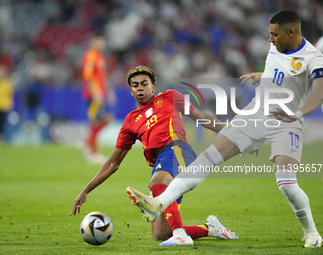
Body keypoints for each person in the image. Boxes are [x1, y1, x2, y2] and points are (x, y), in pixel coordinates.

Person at [126, 10, 323, 248]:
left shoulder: (313, 59)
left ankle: (311, 233)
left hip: (287, 121)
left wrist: (296, 113)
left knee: (287, 185)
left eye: (275, 35)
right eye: (270, 34)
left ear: (291, 32)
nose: (270, 39)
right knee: (208, 156)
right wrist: (265, 76)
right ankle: (159, 202)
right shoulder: (278, 46)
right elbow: (282, 71)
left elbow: (319, 94)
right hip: (256, 114)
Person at [70, 65, 239, 246]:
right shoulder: (130, 121)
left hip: (177, 150)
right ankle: (210, 228)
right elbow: (113, 163)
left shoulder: (170, 97)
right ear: (131, 91)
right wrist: (86, 190)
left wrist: (235, 135)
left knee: (157, 183)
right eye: (135, 85)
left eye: (144, 84)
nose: (140, 88)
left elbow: (201, 117)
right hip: (160, 164)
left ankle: (180, 235)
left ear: (153, 86)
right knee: (161, 234)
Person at [80, 34, 113, 164]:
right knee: (97, 121)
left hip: (101, 93)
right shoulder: (90, 56)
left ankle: (87, 143)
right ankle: (93, 152)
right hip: (93, 95)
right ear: (93, 42)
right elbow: (88, 78)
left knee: (103, 120)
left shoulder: (100, 57)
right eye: (99, 42)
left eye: (102, 42)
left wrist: (109, 92)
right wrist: (96, 93)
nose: (101, 45)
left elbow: (102, 76)